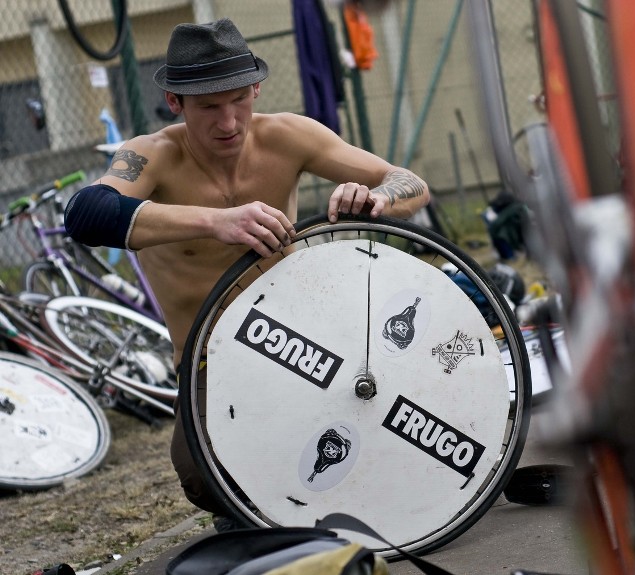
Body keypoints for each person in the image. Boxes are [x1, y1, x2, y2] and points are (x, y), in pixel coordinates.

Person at [64, 18, 429, 529]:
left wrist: (378, 197)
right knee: (200, 476)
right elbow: (84, 213)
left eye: (239, 99)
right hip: (213, 363)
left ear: (257, 87)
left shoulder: (289, 135)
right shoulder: (153, 155)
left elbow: (411, 182)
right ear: (176, 103)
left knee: (380, 426)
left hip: (307, 342)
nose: (229, 122)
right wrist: (216, 222)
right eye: (209, 107)